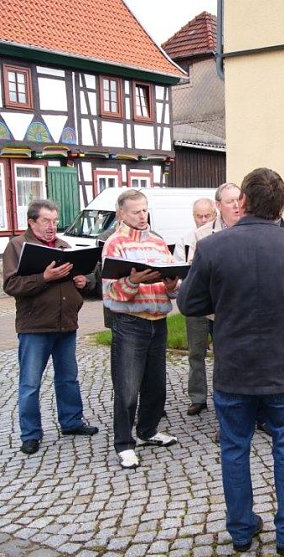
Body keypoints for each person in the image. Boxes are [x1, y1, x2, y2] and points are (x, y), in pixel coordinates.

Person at [178, 167, 284, 555]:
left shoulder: (214, 247)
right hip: (283, 367)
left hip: (234, 367)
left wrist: (225, 298)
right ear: (280, 205)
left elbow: (188, 303)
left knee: (234, 448)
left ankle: (242, 531)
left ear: (243, 202)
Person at [2, 199, 99, 455]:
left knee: (68, 378)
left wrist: (83, 281)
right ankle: (31, 434)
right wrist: (43, 278)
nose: (51, 226)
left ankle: (71, 422)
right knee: (31, 383)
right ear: (32, 222)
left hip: (66, 324)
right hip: (34, 327)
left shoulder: (63, 246)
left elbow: (82, 281)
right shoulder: (18, 247)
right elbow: (12, 285)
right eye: (46, 221)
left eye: (55, 221)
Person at [102, 189, 179, 469]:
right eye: (136, 211)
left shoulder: (159, 243)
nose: (142, 216)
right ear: (121, 213)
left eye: (145, 210)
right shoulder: (114, 244)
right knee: (127, 387)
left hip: (158, 321)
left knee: (156, 385)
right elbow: (110, 294)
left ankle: (148, 430)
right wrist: (133, 282)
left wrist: (172, 287)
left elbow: (170, 287)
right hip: (130, 324)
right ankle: (124, 444)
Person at [173, 198, 217, 416]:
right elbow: (179, 273)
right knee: (195, 353)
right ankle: (198, 397)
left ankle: (223, 397)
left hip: (218, 305)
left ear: (214, 215)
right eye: (199, 216)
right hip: (197, 305)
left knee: (223, 353)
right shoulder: (187, 240)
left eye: (207, 215)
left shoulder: (219, 237)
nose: (203, 220)